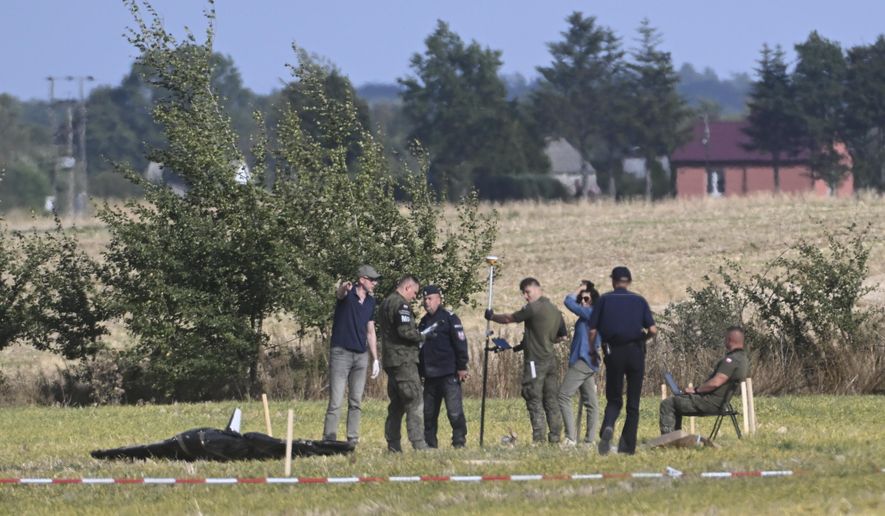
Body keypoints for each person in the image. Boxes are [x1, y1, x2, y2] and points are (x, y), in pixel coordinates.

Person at [485, 277, 567, 444]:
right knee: (551, 399)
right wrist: (532, 343)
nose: (525, 296)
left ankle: (539, 438)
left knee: (533, 395)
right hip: (551, 360)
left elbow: (510, 318)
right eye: (523, 293)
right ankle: (555, 437)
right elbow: (562, 336)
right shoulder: (555, 310)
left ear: (537, 289)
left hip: (535, 362)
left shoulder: (533, 308)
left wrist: (492, 316)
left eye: (527, 292)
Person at [588, 266, 657, 455]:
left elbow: (592, 330)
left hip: (613, 352)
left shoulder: (604, 300)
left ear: (613, 281)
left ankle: (608, 425)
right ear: (629, 281)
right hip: (635, 352)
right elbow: (652, 330)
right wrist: (642, 340)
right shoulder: (639, 300)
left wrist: (592, 351)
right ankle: (627, 448)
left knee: (614, 397)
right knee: (633, 403)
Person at [321, 265, 381, 445]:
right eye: (372, 280)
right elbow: (339, 294)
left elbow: (370, 331)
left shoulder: (371, 302)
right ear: (362, 279)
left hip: (361, 356)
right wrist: (343, 287)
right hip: (341, 354)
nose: (374, 283)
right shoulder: (347, 295)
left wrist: (375, 358)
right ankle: (329, 439)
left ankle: (352, 439)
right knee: (336, 401)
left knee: (356, 401)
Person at [659, 326, 750, 434]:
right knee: (677, 400)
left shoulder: (731, 360)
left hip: (710, 402)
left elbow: (716, 382)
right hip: (721, 402)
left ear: (729, 339)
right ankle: (676, 438)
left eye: (725, 338)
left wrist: (696, 390)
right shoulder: (743, 359)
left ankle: (668, 440)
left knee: (668, 403)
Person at [379, 275, 430, 452]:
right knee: (414, 400)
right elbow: (405, 331)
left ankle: (393, 445)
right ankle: (419, 443)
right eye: (414, 293)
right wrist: (423, 336)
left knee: (397, 405)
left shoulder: (386, 302)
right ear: (407, 288)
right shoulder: (401, 305)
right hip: (404, 361)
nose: (415, 297)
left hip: (391, 360)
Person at [418, 285, 469, 448]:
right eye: (424, 299)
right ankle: (430, 444)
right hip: (430, 376)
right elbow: (420, 348)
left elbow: (460, 343)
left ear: (439, 299)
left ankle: (459, 441)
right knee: (428, 414)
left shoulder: (449, 318)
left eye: (430, 298)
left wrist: (462, 366)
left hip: (449, 373)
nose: (427, 302)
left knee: (454, 412)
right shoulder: (424, 322)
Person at [558, 281, 602, 447]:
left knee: (563, 395)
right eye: (581, 299)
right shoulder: (589, 316)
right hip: (587, 362)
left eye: (586, 299)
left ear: (593, 301)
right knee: (591, 403)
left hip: (583, 361)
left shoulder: (591, 313)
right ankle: (589, 441)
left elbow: (568, 301)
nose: (582, 302)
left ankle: (570, 438)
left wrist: (580, 288)